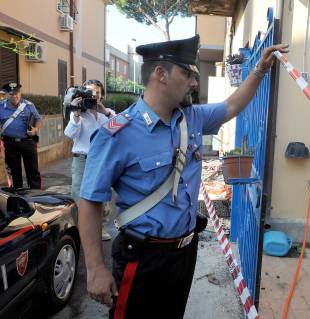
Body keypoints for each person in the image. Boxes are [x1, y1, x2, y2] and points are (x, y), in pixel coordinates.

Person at [78, 34, 288, 318]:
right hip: (141, 258)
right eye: (187, 73)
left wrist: (260, 70)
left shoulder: (193, 118)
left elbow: (232, 106)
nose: (193, 82)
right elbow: (90, 201)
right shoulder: (117, 133)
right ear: (160, 74)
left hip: (185, 253)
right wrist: (95, 269)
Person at [64, 79, 115, 240]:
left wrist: (104, 111)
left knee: (103, 194)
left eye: (97, 93)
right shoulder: (78, 113)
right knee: (78, 195)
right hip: (81, 160)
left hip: (101, 160)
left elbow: (120, 129)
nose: (94, 96)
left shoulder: (107, 113)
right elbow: (69, 134)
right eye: (89, 92)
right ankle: (82, 229)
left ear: (102, 95)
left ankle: (101, 228)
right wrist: (77, 115)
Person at [0, 82, 43, 190]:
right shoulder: (1, 107)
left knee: (33, 171)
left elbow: (39, 120)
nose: (14, 96)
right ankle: (17, 197)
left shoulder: (29, 105)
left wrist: (35, 129)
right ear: (6, 94)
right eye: (11, 94)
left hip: (28, 142)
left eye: (16, 93)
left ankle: (36, 196)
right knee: (14, 172)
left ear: (20, 93)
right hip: (9, 143)